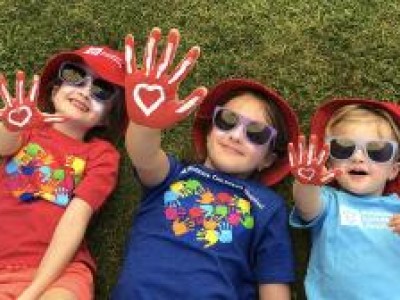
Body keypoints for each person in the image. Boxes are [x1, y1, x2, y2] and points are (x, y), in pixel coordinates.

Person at [112, 27, 299, 299]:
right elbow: (144, 155)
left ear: (268, 159)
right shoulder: (174, 174)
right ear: (210, 130)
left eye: (256, 133)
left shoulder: (267, 205)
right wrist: (144, 122)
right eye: (227, 121)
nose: (236, 135)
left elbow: (273, 280)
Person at [0, 44, 126, 299]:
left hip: (62, 272)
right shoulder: (26, 131)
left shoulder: (102, 154)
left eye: (102, 90)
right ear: (55, 89)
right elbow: (4, 145)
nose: (86, 91)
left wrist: (33, 291)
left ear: (105, 119)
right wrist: (11, 124)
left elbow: (76, 219)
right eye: (75, 76)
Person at [288, 98, 400, 300]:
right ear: (329, 164)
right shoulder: (330, 201)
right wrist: (307, 182)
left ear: (393, 170)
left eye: (377, 150)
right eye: (343, 148)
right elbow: (306, 206)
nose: (358, 157)